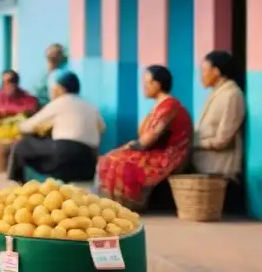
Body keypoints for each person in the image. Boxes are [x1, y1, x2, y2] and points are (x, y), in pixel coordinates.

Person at [95, 66, 193, 211]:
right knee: (110, 158)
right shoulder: (160, 106)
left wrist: (123, 149)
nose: (144, 87)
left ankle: (127, 204)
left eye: (146, 83)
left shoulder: (169, 106)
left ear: (157, 85)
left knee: (115, 160)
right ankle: (107, 203)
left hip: (170, 155)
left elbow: (147, 141)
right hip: (157, 151)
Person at [7, 71, 103, 184]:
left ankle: (19, 184)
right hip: (88, 162)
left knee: (22, 144)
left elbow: (27, 127)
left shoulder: (59, 103)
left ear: (61, 89)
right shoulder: (91, 106)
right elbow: (102, 128)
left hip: (63, 156)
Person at [193, 50, 246, 181]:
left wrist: (193, 143)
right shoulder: (217, 93)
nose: (201, 76)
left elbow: (222, 141)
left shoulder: (232, 95)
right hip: (205, 169)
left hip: (220, 172)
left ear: (216, 72)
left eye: (204, 71)